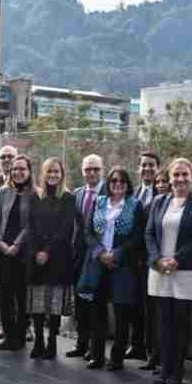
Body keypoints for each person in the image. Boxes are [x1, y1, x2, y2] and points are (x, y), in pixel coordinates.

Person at [144, 157, 192, 384]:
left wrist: (176, 259)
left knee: (181, 322)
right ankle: (164, 370)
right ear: (170, 178)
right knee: (163, 322)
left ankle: (177, 372)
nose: (180, 179)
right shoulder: (158, 201)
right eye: (176, 175)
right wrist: (157, 259)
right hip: (159, 269)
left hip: (186, 270)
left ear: (191, 175)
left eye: (185, 174)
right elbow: (149, 234)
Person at [83, 165, 147, 370]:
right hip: (98, 263)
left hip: (123, 265)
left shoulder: (135, 205)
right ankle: (96, 355)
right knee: (97, 311)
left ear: (127, 185)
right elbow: (88, 232)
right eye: (113, 181)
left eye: (122, 181)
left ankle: (117, 357)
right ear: (108, 184)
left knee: (122, 313)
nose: (117, 184)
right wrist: (101, 253)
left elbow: (138, 235)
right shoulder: (99, 202)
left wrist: (116, 253)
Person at [26, 157, 77, 360]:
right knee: (38, 302)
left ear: (62, 174)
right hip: (36, 257)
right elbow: (29, 227)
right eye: (49, 171)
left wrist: (47, 251)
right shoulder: (34, 197)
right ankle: (38, 341)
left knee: (54, 304)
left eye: (56, 171)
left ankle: (52, 342)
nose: (53, 175)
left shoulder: (68, 198)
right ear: (43, 174)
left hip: (57, 257)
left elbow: (65, 229)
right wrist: (37, 251)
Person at [0, 154, 34, 351]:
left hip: (23, 253)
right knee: (4, 295)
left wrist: (16, 244)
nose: (17, 172)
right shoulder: (3, 191)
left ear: (29, 171)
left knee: (22, 296)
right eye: (15, 169)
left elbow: (31, 224)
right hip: (3, 252)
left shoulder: (35, 193)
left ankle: (20, 334)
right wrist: (0, 242)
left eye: (22, 169)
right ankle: (9, 335)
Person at [66, 153, 105, 359]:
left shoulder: (110, 192)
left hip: (98, 256)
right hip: (78, 256)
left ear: (102, 170)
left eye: (95, 169)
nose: (91, 173)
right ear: (82, 171)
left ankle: (95, 349)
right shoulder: (77, 194)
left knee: (96, 304)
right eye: (88, 169)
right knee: (80, 302)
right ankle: (81, 344)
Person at [131, 151, 161, 365]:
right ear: (138, 168)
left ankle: (153, 351)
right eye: (144, 165)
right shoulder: (132, 193)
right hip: (133, 258)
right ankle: (137, 345)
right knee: (135, 304)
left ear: (158, 168)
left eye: (151, 165)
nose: (147, 169)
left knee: (152, 308)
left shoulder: (164, 192)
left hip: (155, 258)